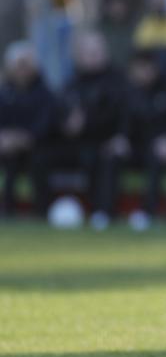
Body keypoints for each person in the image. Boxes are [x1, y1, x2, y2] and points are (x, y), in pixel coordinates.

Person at [32, 32, 129, 227]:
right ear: (78, 55)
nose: (93, 57)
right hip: (72, 143)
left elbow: (123, 114)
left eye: (96, 52)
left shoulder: (118, 81)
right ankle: (43, 211)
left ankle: (101, 213)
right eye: (87, 52)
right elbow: (57, 113)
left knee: (100, 157)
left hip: (102, 141)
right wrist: (65, 125)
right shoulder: (71, 82)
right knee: (39, 157)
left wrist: (89, 123)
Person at [101, 51, 166, 230]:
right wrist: (122, 138)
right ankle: (105, 213)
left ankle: (147, 213)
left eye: (141, 69)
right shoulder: (131, 91)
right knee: (112, 156)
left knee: (155, 156)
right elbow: (126, 122)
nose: (137, 75)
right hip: (141, 148)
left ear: (152, 69)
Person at [0, 41, 56, 216]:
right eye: (18, 65)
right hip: (7, 148)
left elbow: (45, 125)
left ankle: (41, 211)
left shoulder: (45, 93)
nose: (22, 70)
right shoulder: (4, 93)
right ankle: (7, 210)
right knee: (9, 161)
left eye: (26, 64)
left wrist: (20, 139)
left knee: (39, 160)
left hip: (37, 147)